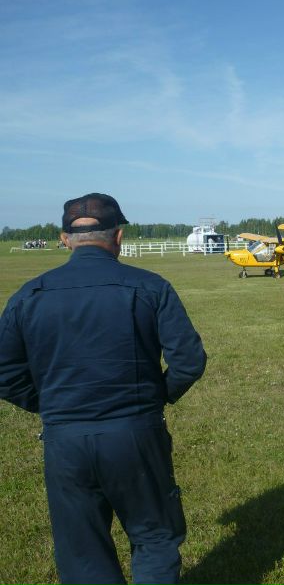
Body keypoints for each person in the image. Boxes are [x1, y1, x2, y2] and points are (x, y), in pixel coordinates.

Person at [0, 193, 207, 585]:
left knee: (83, 554)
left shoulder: (29, 295)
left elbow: (4, 372)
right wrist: (155, 396)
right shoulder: (151, 287)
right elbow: (188, 361)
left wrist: (51, 404)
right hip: (135, 433)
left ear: (64, 239)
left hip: (66, 440)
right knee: (154, 538)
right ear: (119, 237)